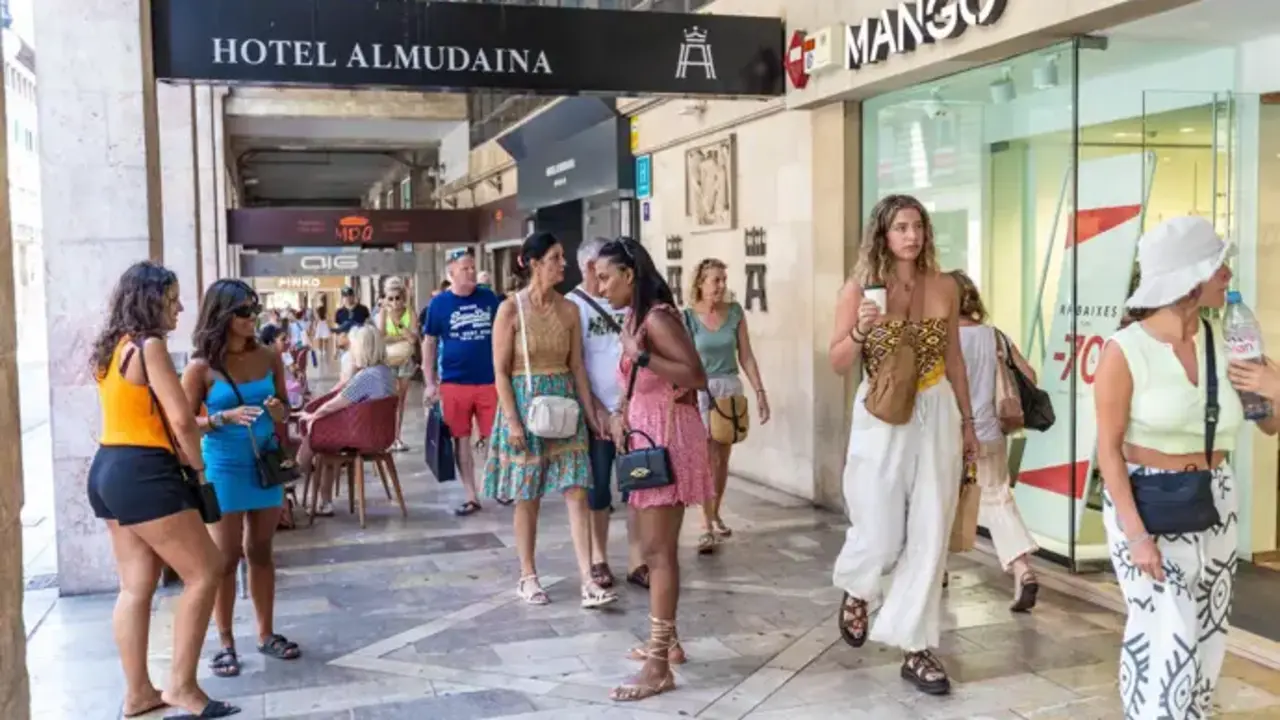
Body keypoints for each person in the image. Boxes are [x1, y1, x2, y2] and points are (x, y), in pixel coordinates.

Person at [1095, 216, 1274, 719]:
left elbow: (1267, 423)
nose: (1228, 275)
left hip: (1216, 494)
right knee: (1167, 631)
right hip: (1146, 501)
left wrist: (1272, 388)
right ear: (1189, 280)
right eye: (1220, 266)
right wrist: (1135, 535)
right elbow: (1108, 450)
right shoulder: (1124, 351)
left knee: (1208, 631)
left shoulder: (1231, 339)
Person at [827, 194, 978, 696]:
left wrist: (970, 423)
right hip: (883, 412)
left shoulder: (945, 286)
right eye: (900, 227)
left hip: (937, 408)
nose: (911, 235)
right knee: (879, 526)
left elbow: (953, 355)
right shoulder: (860, 289)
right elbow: (838, 361)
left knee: (931, 531)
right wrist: (859, 328)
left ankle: (915, 646)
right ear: (883, 235)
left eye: (917, 226)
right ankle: (858, 586)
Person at [86, 262, 236, 719]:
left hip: (108, 468)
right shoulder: (149, 347)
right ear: (151, 301)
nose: (180, 308)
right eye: (172, 300)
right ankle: (183, 688)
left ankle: (138, 695)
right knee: (207, 568)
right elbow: (181, 420)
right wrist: (198, 471)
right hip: (145, 470)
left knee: (135, 586)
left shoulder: (112, 348)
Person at [592, 237, 713, 701]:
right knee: (649, 549)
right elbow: (637, 380)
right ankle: (668, 642)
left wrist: (641, 353)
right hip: (646, 437)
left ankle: (660, 664)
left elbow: (694, 375)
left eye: (606, 277)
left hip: (667, 440)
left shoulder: (658, 318)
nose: (600, 287)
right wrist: (621, 413)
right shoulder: (636, 317)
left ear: (629, 275)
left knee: (659, 554)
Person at [483, 232, 616, 608]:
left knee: (577, 490)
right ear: (535, 263)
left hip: (566, 406)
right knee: (528, 494)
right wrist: (512, 421)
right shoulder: (510, 310)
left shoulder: (570, 310)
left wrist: (591, 415)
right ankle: (527, 575)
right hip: (526, 407)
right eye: (556, 257)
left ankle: (588, 579)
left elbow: (577, 367)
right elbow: (500, 372)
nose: (564, 264)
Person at [182, 279, 301, 679]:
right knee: (225, 558)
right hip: (224, 466)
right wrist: (221, 418)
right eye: (244, 312)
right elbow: (181, 423)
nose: (253, 318)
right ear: (222, 316)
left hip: (265, 463)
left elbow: (286, 409)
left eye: (255, 309)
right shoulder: (201, 367)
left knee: (262, 549)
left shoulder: (269, 357)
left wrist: (278, 411)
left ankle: (266, 633)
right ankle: (226, 641)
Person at [949, 270, 1040, 611]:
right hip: (990, 432)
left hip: (949, 432)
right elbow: (1029, 376)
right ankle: (1022, 569)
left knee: (938, 500)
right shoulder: (994, 336)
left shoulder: (941, 338)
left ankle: (935, 571)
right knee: (998, 497)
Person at [567, 237, 644, 590]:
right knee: (598, 490)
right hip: (596, 414)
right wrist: (595, 410)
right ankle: (598, 557)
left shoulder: (629, 300)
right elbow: (575, 364)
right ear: (588, 268)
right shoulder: (573, 306)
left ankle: (637, 559)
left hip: (633, 410)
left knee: (637, 487)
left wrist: (628, 406)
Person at [684, 258, 770, 554]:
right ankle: (705, 524)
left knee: (722, 458)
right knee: (707, 458)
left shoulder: (734, 313)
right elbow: (683, 360)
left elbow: (746, 355)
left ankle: (715, 511)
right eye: (715, 280)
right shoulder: (688, 317)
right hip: (701, 390)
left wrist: (759, 391)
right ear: (700, 283)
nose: (721, 285)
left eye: (723, 279)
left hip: (729, 389)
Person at [422, 248, 504, 516]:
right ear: (451, 273)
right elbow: (430, 342)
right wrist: (430, 381)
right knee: (461, 439)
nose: (470, 273)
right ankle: (472, 495)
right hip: (454, 383)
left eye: (472, 268)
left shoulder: (488, 298)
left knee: (496, 438)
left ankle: (499, 485)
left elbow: (503, 335)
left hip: (489, 380)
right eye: (464, 269)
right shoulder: (439, 305)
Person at [297, 325, 398, 517]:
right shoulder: (385, 372)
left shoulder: (366, 377)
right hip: (381, 435)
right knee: (321, 438)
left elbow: (336, 403)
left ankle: (298, 477)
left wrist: (313, 415)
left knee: (317, 438)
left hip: (361, 436)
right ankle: (319, 497)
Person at [375, 277, 419, 452]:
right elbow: (381, 337)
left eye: (397, 298)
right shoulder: (383, 314)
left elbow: (413, 338)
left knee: (401, 400)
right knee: (389, 399)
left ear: (403, 297)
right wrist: (402, 336)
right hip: (388, 359)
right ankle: (388, 437)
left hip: (406, 360)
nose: (394, 302)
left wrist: (399, 326)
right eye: (390, 298)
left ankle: (397, 437)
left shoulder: (410, 313)